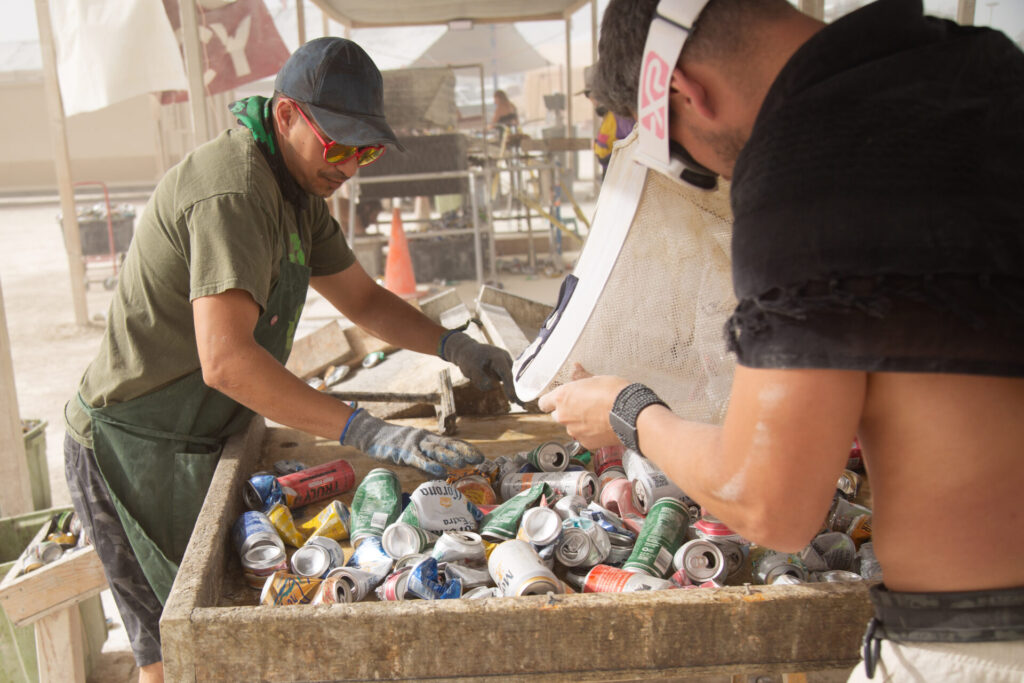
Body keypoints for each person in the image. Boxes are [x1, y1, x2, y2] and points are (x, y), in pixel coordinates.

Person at [541, 1, 1024, 680]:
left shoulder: (803, 157)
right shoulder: (991, 70)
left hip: (981, 646)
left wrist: (630, 409)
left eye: (688, 162)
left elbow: (771, 501)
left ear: (684, 93)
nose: (716, 179)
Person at [64, 37, 516, 682]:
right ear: (283, 115)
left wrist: (455, 345)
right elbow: (226, 362)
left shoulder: (298, 189)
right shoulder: (234, 192)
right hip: (131, 446)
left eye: (367, 150)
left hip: (197, 437)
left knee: (212, 638)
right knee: (174, 657)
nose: (351, 166)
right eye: (338, 145)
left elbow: (361, 298)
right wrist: (366, 430)